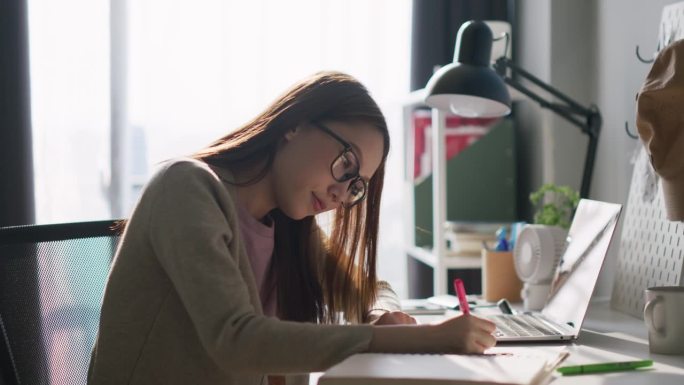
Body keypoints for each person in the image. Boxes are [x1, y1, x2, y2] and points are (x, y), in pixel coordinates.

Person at [87, 71, 496, 385]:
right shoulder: (186, 187)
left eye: (356, 186)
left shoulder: (290, 228)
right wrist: (425, 339)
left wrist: (381, 315)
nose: (341, 194)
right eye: (345, 164)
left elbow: (371, 291)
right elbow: (237, 341)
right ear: (294, 125)